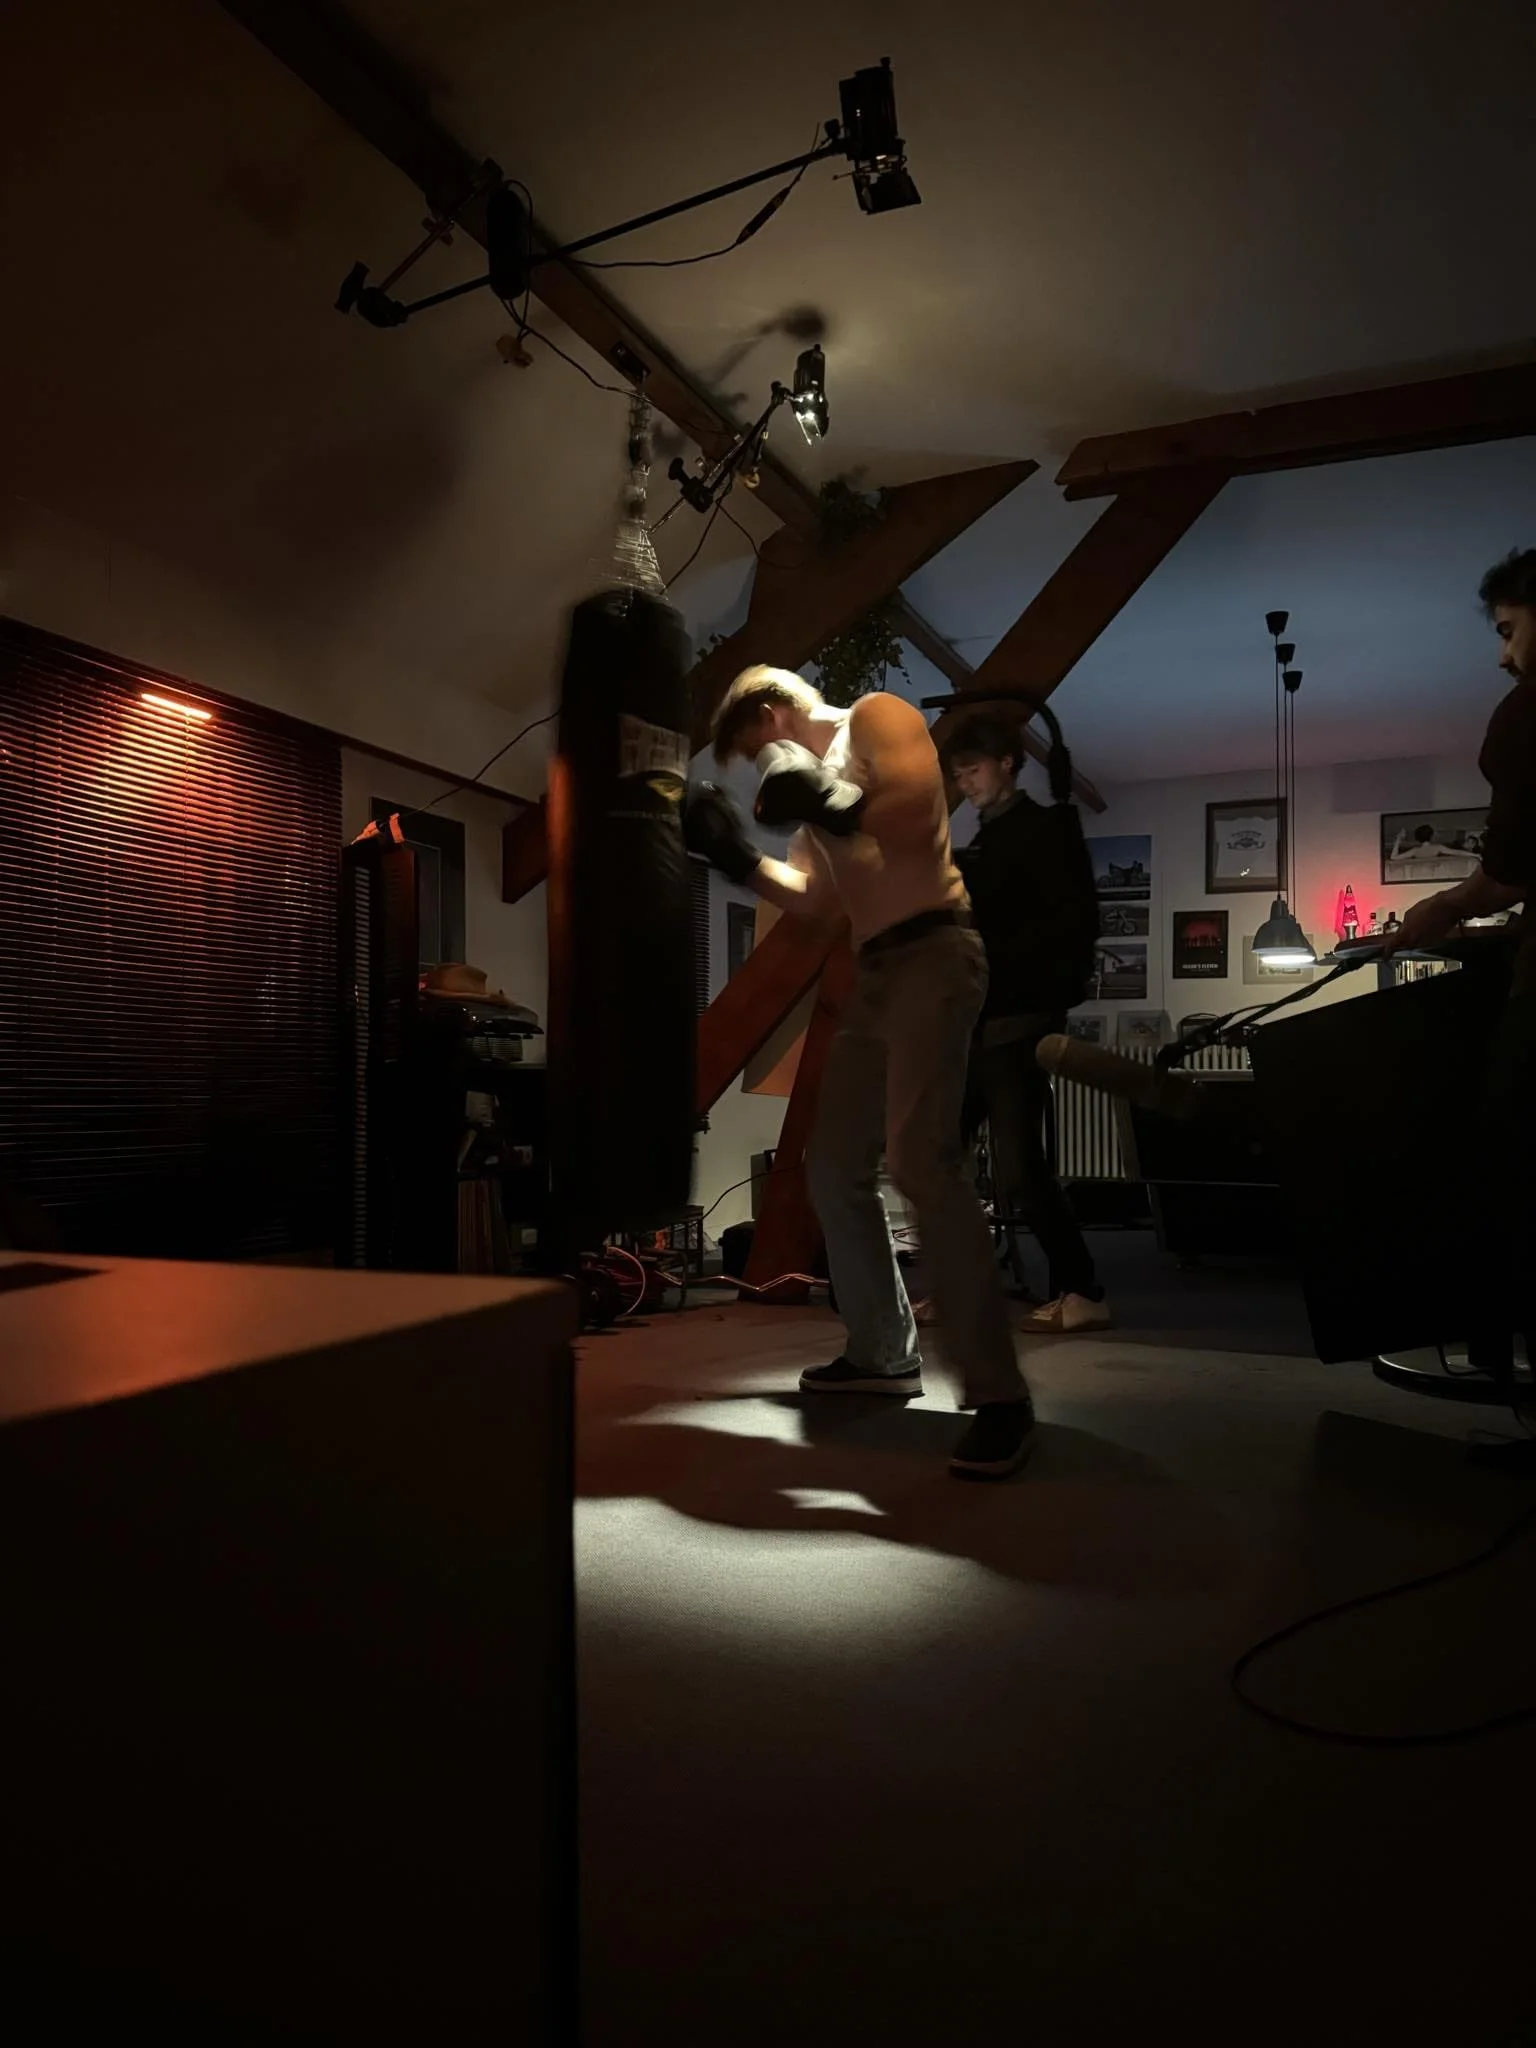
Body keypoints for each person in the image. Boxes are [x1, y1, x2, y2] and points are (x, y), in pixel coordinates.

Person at [685, 666, 1035, 1478]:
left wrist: (821, 794)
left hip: (938, 952)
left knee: (919, 1160)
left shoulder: (878, 719)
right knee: (833, 1163)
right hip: (872, 969)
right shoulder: (818, 784)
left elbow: (911, 819)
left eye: (755, 750)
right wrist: (732, 854)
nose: (761, 768)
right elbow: (813, 898)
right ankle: (882, 1355)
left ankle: (1000, 1397)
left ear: (772, 716)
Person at [1385, 548, 1536, 1381]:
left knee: (1511, 1164)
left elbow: (1509, 869)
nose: (1503, 654)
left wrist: (1444, 907)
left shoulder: (1524, 714)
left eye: (1511, 630)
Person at [941, 712, 1110, 1332]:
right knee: (940, 1158)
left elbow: (1070, 925)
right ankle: (965, 1289)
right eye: (957, 775)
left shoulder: (1044, 831)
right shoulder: (982, 842)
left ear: (1007, 763)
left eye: (974, 769)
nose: (966, 782)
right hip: (979, 1022)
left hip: (1018, 1021)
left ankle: (1083, 1290)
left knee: (1018, 1165)